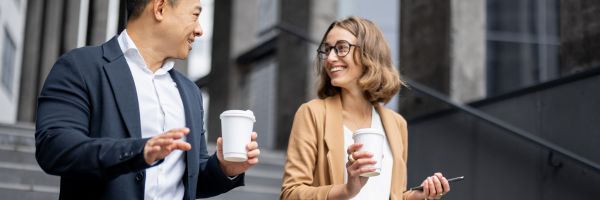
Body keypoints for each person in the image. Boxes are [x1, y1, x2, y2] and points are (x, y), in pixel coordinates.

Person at [35, 0, 260, 199]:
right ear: (160, 8)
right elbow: (54, 147)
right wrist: (139, 151)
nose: (199, 30)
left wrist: (225, 167)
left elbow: (192, 179)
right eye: (195, 15)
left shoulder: (190, 92)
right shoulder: (81, 67)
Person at [280, 16, 451, 200]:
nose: (330, 58)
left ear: (369, 54)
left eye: (341, 48)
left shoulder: (396, 124)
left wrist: (421, 195)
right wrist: (347, 190)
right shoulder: (312, 114)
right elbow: (290, 194)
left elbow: (393, 194)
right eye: (327, 49)